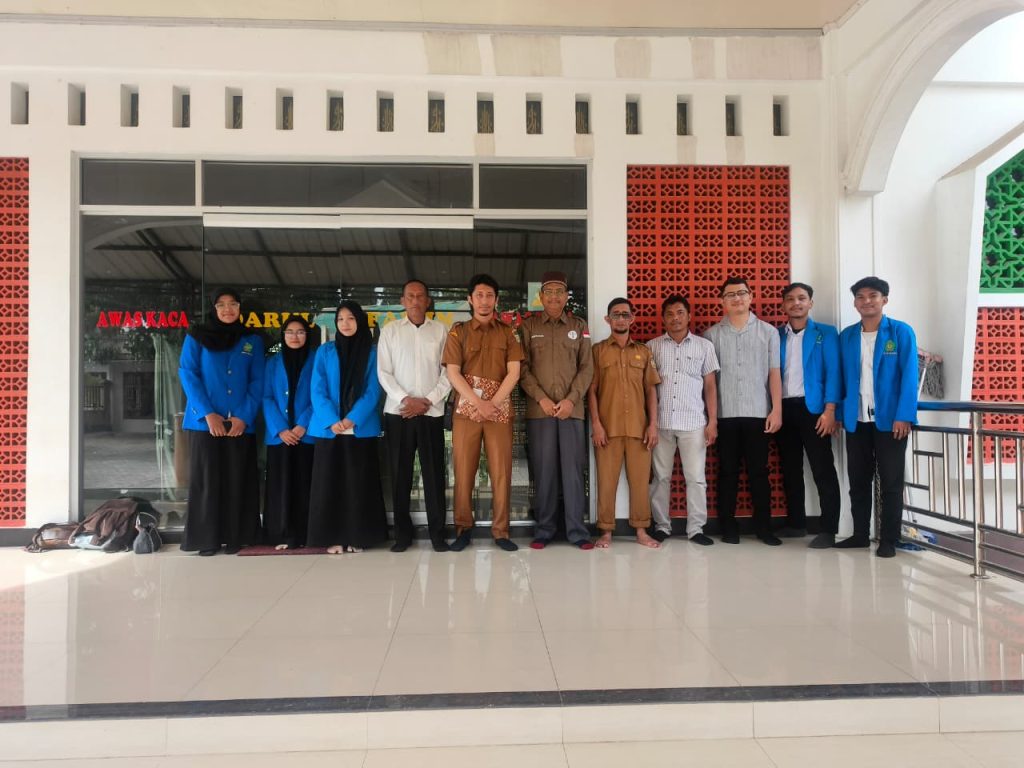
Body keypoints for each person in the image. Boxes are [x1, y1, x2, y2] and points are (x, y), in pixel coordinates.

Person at [179, 288, 264, 556]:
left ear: (240, 308)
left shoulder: (252, 339)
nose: (228, 309)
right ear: (214, 309)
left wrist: (243, 417)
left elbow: (258, 380)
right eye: (221, 305)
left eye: (233, 304)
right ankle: (208, 539)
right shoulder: (197, 336)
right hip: (205, 424)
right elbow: (188, 374)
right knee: (207, 482)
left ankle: (237, 537)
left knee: (238, 481)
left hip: (240, 424)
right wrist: (208, 414)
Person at [838, 276, 918, 558]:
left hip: (891, 421)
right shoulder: (847, 336)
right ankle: (860, 535)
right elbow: (841, 378)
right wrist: (840, 413)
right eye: (860, 297)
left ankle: (889, 539)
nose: (866, 301)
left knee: (891, 482)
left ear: (884, 299)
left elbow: (909, 376)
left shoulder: (900, 332)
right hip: (856, 420)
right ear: (855, 303)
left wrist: (904, 415)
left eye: (873, 295)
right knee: (858, 480)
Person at [442, 274, 524, 552]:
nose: (485, 301)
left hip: (498, 412)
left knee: (501, 472)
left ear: (496, 300)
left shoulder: (508, 333)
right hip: (467, 412)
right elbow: (453, 373)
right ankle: (463, 529)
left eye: (490, 295)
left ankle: (501, 531)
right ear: (470, 299)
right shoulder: (459, 332)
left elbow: (514, 372)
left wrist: (492, 404)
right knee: (464, 471)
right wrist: (479, 404)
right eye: (479, 295)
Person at [703, 276, 783, 545]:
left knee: (759, 472)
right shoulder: (711, 336)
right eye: (730, 294)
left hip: (758, 412)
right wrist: (711, 419)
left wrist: (777, 409)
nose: (737, 298)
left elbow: (774, 373)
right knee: (727, 472)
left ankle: (764, 528)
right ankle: (728, 527)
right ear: (722, 301)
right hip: (724, 414)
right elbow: (709, 382)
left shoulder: (768, 332)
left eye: (741, 293)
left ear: (751, 297)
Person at [519, 271, 594, 550]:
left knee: (573, 472)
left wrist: (571, 400)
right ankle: (544, 530)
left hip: (571, 412)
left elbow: (587, 368)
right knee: (544, 471)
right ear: (540, 296)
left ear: (566, 296)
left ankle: (577, 532)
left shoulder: (579, 326)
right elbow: (522, 368)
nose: (553, 297)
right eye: (548, 292)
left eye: (559, 292)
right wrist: (542, 399)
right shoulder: (529, 327)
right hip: (540, 412)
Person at [306, 301, 388, 553]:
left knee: (358, 485)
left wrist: (352, 418)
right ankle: (331, 538)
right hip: (329, 429)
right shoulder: (325, 351)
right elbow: (317, 389)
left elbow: (373, 390)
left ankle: (358, 536)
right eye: (341, 319)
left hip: (360, 427)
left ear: (360, 321)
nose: (345, 323)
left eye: (351, 318)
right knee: (329, 483)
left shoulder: (372, 353)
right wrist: (332, 419)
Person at [377, 279, 452, 553]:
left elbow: (448, 372)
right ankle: (402, 535)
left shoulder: (441, 331)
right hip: (399, 413)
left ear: (428, 301)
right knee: (400, 475)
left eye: (421, 296)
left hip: (431, 412)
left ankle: (437, 534)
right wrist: (406, 400)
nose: (416, 300)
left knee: (434, 475)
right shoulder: (390, 331)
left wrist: (428, 401)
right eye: (411, 296)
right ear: (403, 301)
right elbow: (383, 372)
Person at [588, 297, 661, 549]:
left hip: (639, 429)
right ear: (608, 319)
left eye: (625, 314)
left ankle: (641, 530)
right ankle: (606, 531)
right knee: (606, 483)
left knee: (640, 483)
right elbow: (591, 390)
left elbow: (651, 390)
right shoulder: (597, 351)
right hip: (607, 430)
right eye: (616, 314)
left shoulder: (644, 351)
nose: (621, 319)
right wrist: (596, 424)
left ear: (632, 319)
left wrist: (653, 425)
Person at [647, 294, 719, 546]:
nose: (675, 318)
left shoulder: (704, 346)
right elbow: (648, 388)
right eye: (669, 314)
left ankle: (696, 529)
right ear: (663, 318)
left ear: (689, 316)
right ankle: (662, 526)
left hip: (694, 423)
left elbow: (710, 386)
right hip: (661, 423)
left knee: (696, 478)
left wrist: (712, 421)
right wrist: (650, 423)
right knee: (660, 478)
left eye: (680, 313)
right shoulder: (652, 347)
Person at [776, 283, 843, 548]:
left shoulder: (826, 333)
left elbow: (834, 373)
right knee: (790, 468)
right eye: (790, 299)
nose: (796, 303)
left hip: (814, 410)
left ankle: (828, 529)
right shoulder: (776, 335)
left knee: (822, 468)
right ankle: (796, 524)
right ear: (783, 305)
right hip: (784, 408)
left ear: (810, 303)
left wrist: (830, 410)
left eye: (801, 298)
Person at [262, 315, 316, 550]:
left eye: (300, 332)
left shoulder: (316, 360)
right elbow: (266, 397)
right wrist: (281, 429)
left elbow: (319, 395)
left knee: (305, 484)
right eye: (290, 332)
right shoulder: (272, 362)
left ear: (307, 335)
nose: (295, 336)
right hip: (280, 436)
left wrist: (303, 425)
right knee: (280, 485)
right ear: (283, 336)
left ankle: (305, 534)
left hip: (307, 434)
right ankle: (280, 534)